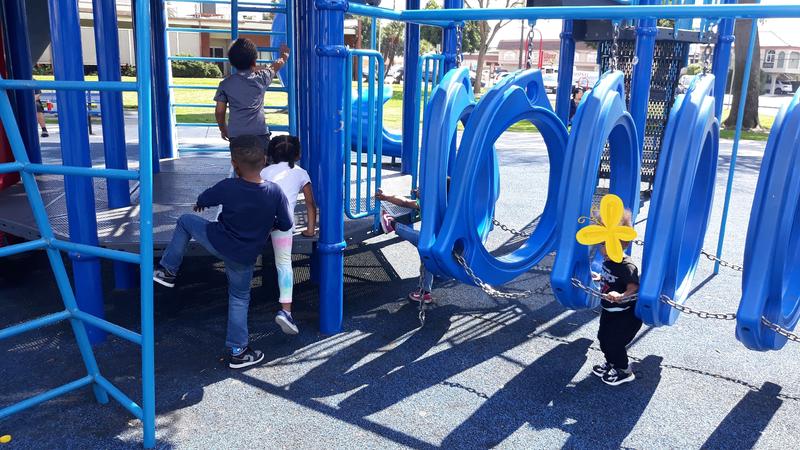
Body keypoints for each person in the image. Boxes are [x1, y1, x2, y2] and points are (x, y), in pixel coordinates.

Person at [153, 135, 293, 369]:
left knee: (186, 221)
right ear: (265, 163)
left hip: (217, 241)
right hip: (244, 256)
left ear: (235, 164)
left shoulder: (228, 186)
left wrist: (201, 204)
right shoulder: (274, 192)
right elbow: (287, 224)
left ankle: (167, 270)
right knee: (239, 299)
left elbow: (205, 198)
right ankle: (238, 351)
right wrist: (270, 224)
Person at [260, 135, 316, 335]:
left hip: (259, 223)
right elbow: (310, 203)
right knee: (283, 264)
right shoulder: (301, 173)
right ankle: (286, 312)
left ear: (271, 154)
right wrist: (310, 229)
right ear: (298, 154)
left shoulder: (264, 171)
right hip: (283, 224)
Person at [591, 209, 641, 386]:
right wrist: (600, 277)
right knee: (603, 337)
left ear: (619, 243)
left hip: (626, 314)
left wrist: (621, 295)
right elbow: (610, 277)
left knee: (615, 341)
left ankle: (624, 370)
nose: (601, 248)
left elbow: (633, 287)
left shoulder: (626, 266)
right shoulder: (608, 260)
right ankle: (611, 362)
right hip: (609, 310)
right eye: (601, 243)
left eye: (604, 244)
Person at [214, 38, 290, 153]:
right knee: (262, 165)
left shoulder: (225, 84)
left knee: (241, 165)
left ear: (231, 62)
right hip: (259, 134)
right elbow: (275, 66)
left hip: (236, 136)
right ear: (254, 62)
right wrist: (284, 56)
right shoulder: (262, 78)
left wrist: (223, 129)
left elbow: (219, 111)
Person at [376, 187, 434, 304]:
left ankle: (392, 224)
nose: (416, 190)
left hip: (436, 246)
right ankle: (425, 291)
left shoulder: (428, 204)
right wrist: (386, 197)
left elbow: (405, 202)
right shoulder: (446, 207)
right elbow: (404, 202)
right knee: (427, 255)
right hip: (451, 247)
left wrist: (386, 197)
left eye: (421, 188)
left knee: (424, 246)